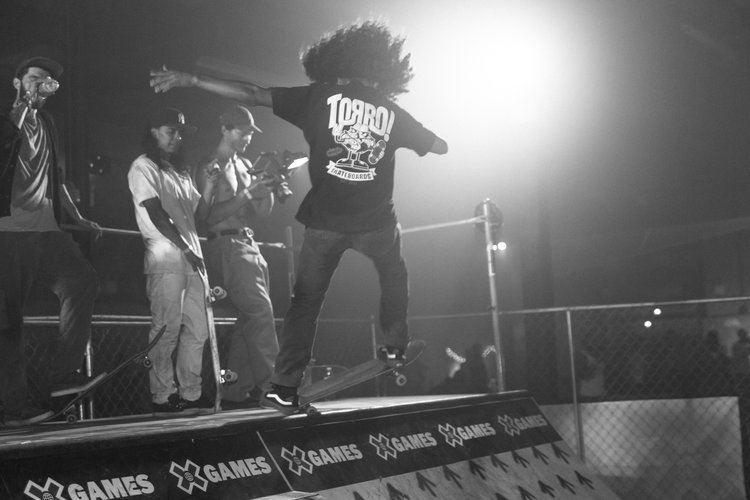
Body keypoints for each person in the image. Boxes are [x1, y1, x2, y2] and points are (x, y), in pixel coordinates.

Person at [150, 20, 448, 415]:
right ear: (383, 69)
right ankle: (394, 344)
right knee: (394, 273)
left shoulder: (318, 97)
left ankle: (283, 386)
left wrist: (192, 79)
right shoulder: (393, 112)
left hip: (324, 225)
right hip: (376, 223)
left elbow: (252, 93)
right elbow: (439, 146)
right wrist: (405, 129)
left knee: (305, 303)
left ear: (335, 65)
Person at [0, 55, 102, 425]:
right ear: (17, 83)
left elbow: (55, 177)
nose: (40, 84)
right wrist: (21, 109)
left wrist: (76, 217)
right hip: (9, 232)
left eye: (46, 80)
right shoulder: (7, 119)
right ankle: (14, 408)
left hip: (46, 231)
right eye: (33, 78)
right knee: (10, 322)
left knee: (82, 280)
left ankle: (63, 376)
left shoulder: (47, 123)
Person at [127, 107, 218, 414]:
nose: (176, 137)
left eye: (179, 133)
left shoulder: (179, 171)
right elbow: (154, 212)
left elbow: (201, 215)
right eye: (170, 131)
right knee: (166, 329)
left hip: (192, 260)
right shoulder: (143, 166)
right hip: (166, 258)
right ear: (154, 132)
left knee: (199, 330)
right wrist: (186, 248)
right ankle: (163, 395)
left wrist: (209, 184)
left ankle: (191, 393)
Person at [194, 105, 278, 409]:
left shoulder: (246, 164)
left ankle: (235, 392)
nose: (247, 138)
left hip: (250, 245)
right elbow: (205, 217)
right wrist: (247, 194)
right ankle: (274, 385)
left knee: (249, 318)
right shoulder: (210, 166)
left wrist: (268, 186)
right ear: (225, 129)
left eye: (250, 133)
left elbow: (262, 212)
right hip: (226, 245)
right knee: (259, 312)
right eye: (242, 132)